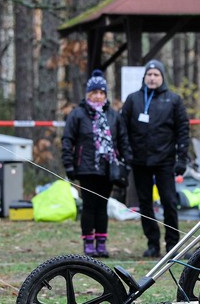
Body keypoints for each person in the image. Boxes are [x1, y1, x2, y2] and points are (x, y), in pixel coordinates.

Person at [122, 60, 190, 258]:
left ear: (162, 77)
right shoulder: (133, 100)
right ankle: (152, 243)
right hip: (140, 161)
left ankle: (172, 244)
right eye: (149, 74)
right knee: (145, 204)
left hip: (165, 161)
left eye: (156, 75)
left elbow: (183, 131)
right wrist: (127, 154)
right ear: (144, 77)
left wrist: (182, 158)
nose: (152, 78)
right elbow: (123, 129)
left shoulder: (174, 100)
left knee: (169, 202)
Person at [62, 69, 132, 258]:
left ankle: (101, 243)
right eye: (95, 93)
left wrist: (127, 161)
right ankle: (88, 243)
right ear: (88, 94)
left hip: (108, 168)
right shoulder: (78, 114)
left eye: (102, 93)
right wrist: (68, 164)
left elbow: (123, 139)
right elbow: (68, 140)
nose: (98, 96)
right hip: (86, 168)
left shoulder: (114, 115)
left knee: (102, 205)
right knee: (89, 205)